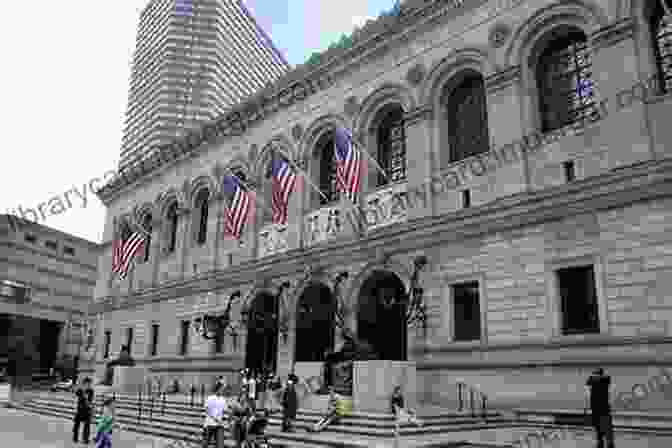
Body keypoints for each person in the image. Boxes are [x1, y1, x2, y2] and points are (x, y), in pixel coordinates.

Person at [585, 368, 615, 448]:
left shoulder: (603, 380)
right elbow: (588, 387)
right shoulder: (603, 380)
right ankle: (603, 443)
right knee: (601, 427)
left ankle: (606, 443)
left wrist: (593, 378)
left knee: (603, 427)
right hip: (598, 408)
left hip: (600, 408)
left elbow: (588, 384)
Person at [202, 383, 229, 448]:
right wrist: (214, 418)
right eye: (222, 389)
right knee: (206, 443)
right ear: (218, 389)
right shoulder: (210, 398)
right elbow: (206, 410)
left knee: (220, 444)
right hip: (210, 424)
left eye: (223, 389)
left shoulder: (223, 399)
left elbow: (225, 411)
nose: (223, 391)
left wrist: (225, 419)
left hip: (219, 425)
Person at [73, 377, 94, 444]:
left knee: (87, 425)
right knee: (76, 425)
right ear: (84, 383)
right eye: (87, 383)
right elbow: (76, 394)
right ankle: (75, 438)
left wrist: (89, 405)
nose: (89, 385)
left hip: (87, 410)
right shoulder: (80, 390)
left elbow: (90, 400)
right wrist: (81, 391)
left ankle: (85, 439)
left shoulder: (91, 391)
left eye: (90, 384)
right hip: (80, 410)